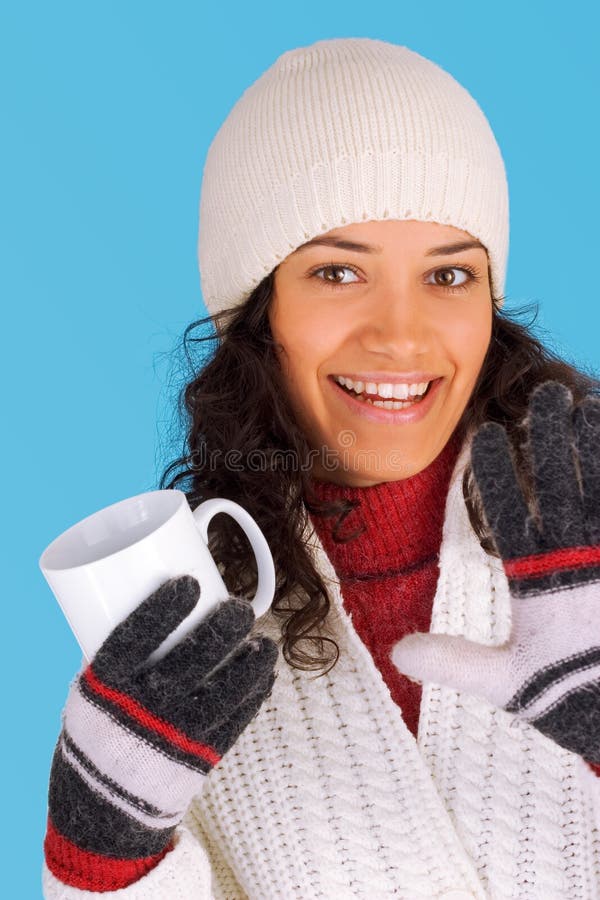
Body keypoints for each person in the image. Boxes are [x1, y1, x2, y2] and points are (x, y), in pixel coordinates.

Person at [42, 37, 600, 898]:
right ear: (259, 315)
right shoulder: (189, 651)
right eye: (337, 271)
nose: (402, 336)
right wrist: (103, 862)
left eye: (449, 274)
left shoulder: (585, 560)